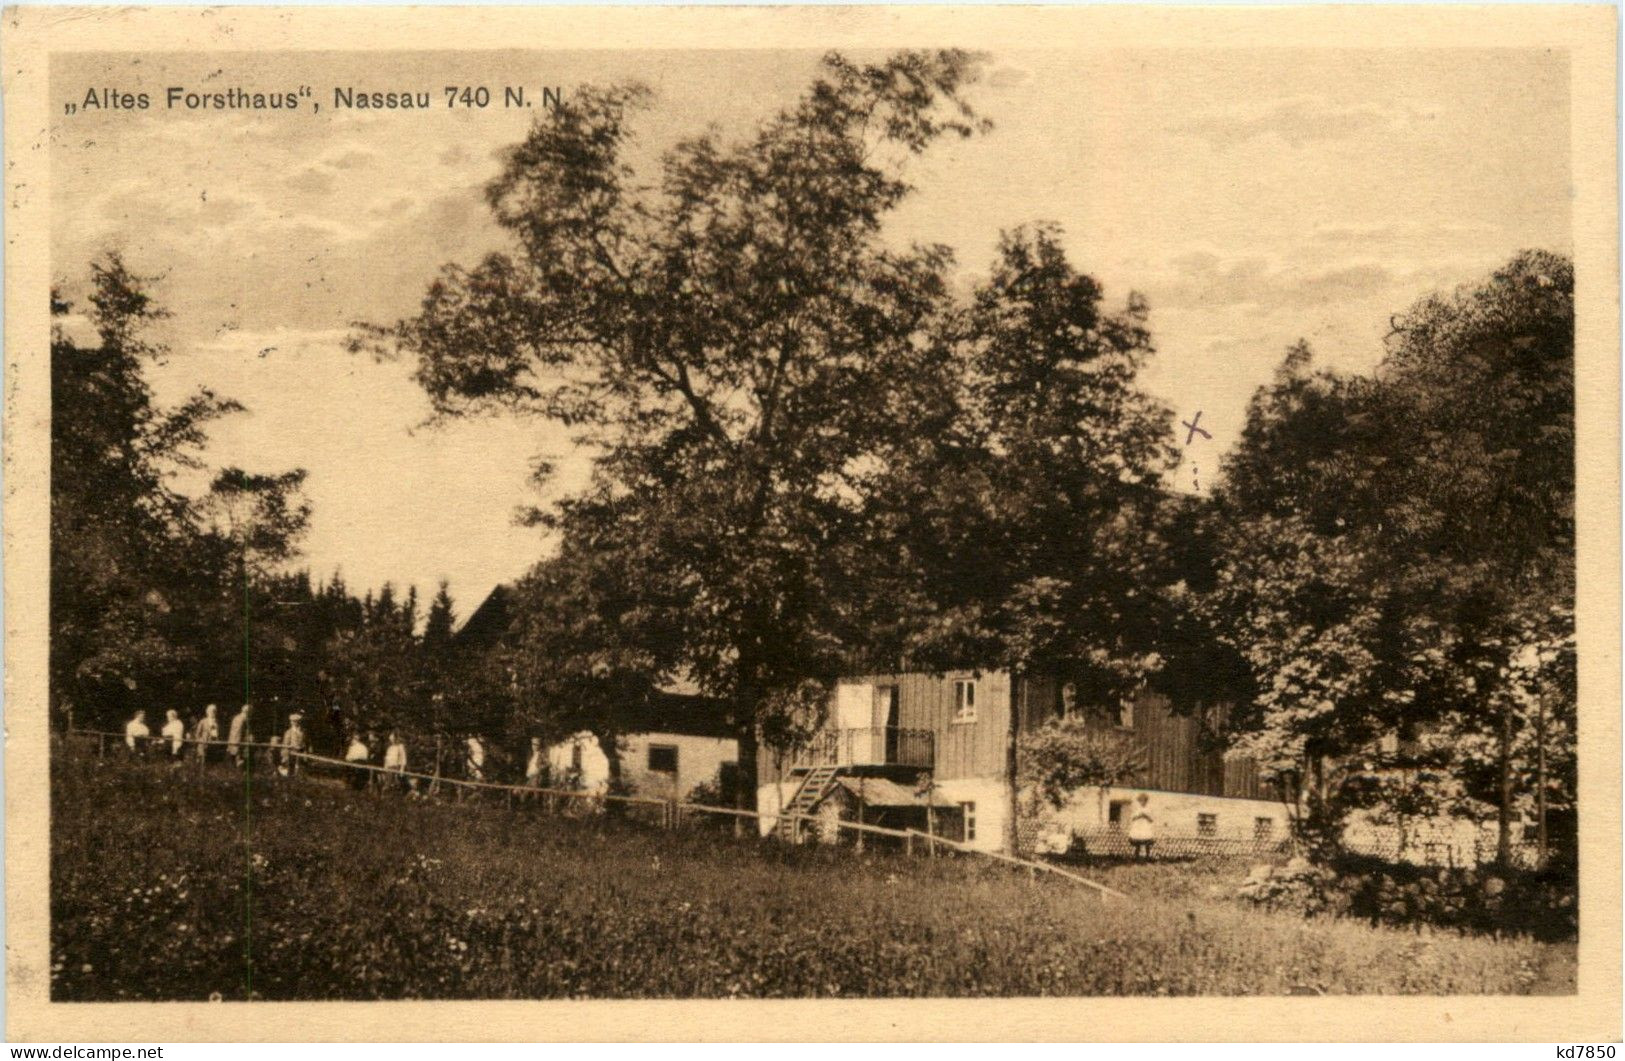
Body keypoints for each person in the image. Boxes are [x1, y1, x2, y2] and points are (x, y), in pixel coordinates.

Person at [1128, 792, 1156, 860]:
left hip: (1145, 827)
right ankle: (1136, 856)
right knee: (1137, 842)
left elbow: (1151, 819)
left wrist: (1146, 816)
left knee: (1147, 842)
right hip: (1138, 827)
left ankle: (1147, 856)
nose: (1143, 802)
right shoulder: (1136, 808)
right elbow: (1132, 817)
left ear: (1146, 801)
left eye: (1144, 800)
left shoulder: (1149, 809)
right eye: (1141, 800)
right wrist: (1139, 815)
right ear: (1139, 801)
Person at [227, 704, 253, 769]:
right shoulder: (243, 719)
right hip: (240, 746)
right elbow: (238, 734)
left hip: (235, 745)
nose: (251, 715)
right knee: (240, 766)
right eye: (251, 712)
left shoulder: (237, 718)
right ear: (248, 712)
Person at [524, 736, 546, 802]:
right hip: (529, 778)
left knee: (534, 795)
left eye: (536, 744)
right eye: (533, 744)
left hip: (537, 778)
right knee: (523, 795)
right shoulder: (530, 755)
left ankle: (537, 804)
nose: (534, 746)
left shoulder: (542, 754)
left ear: (540, 745)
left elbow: (547, 764)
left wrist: (540, 769)